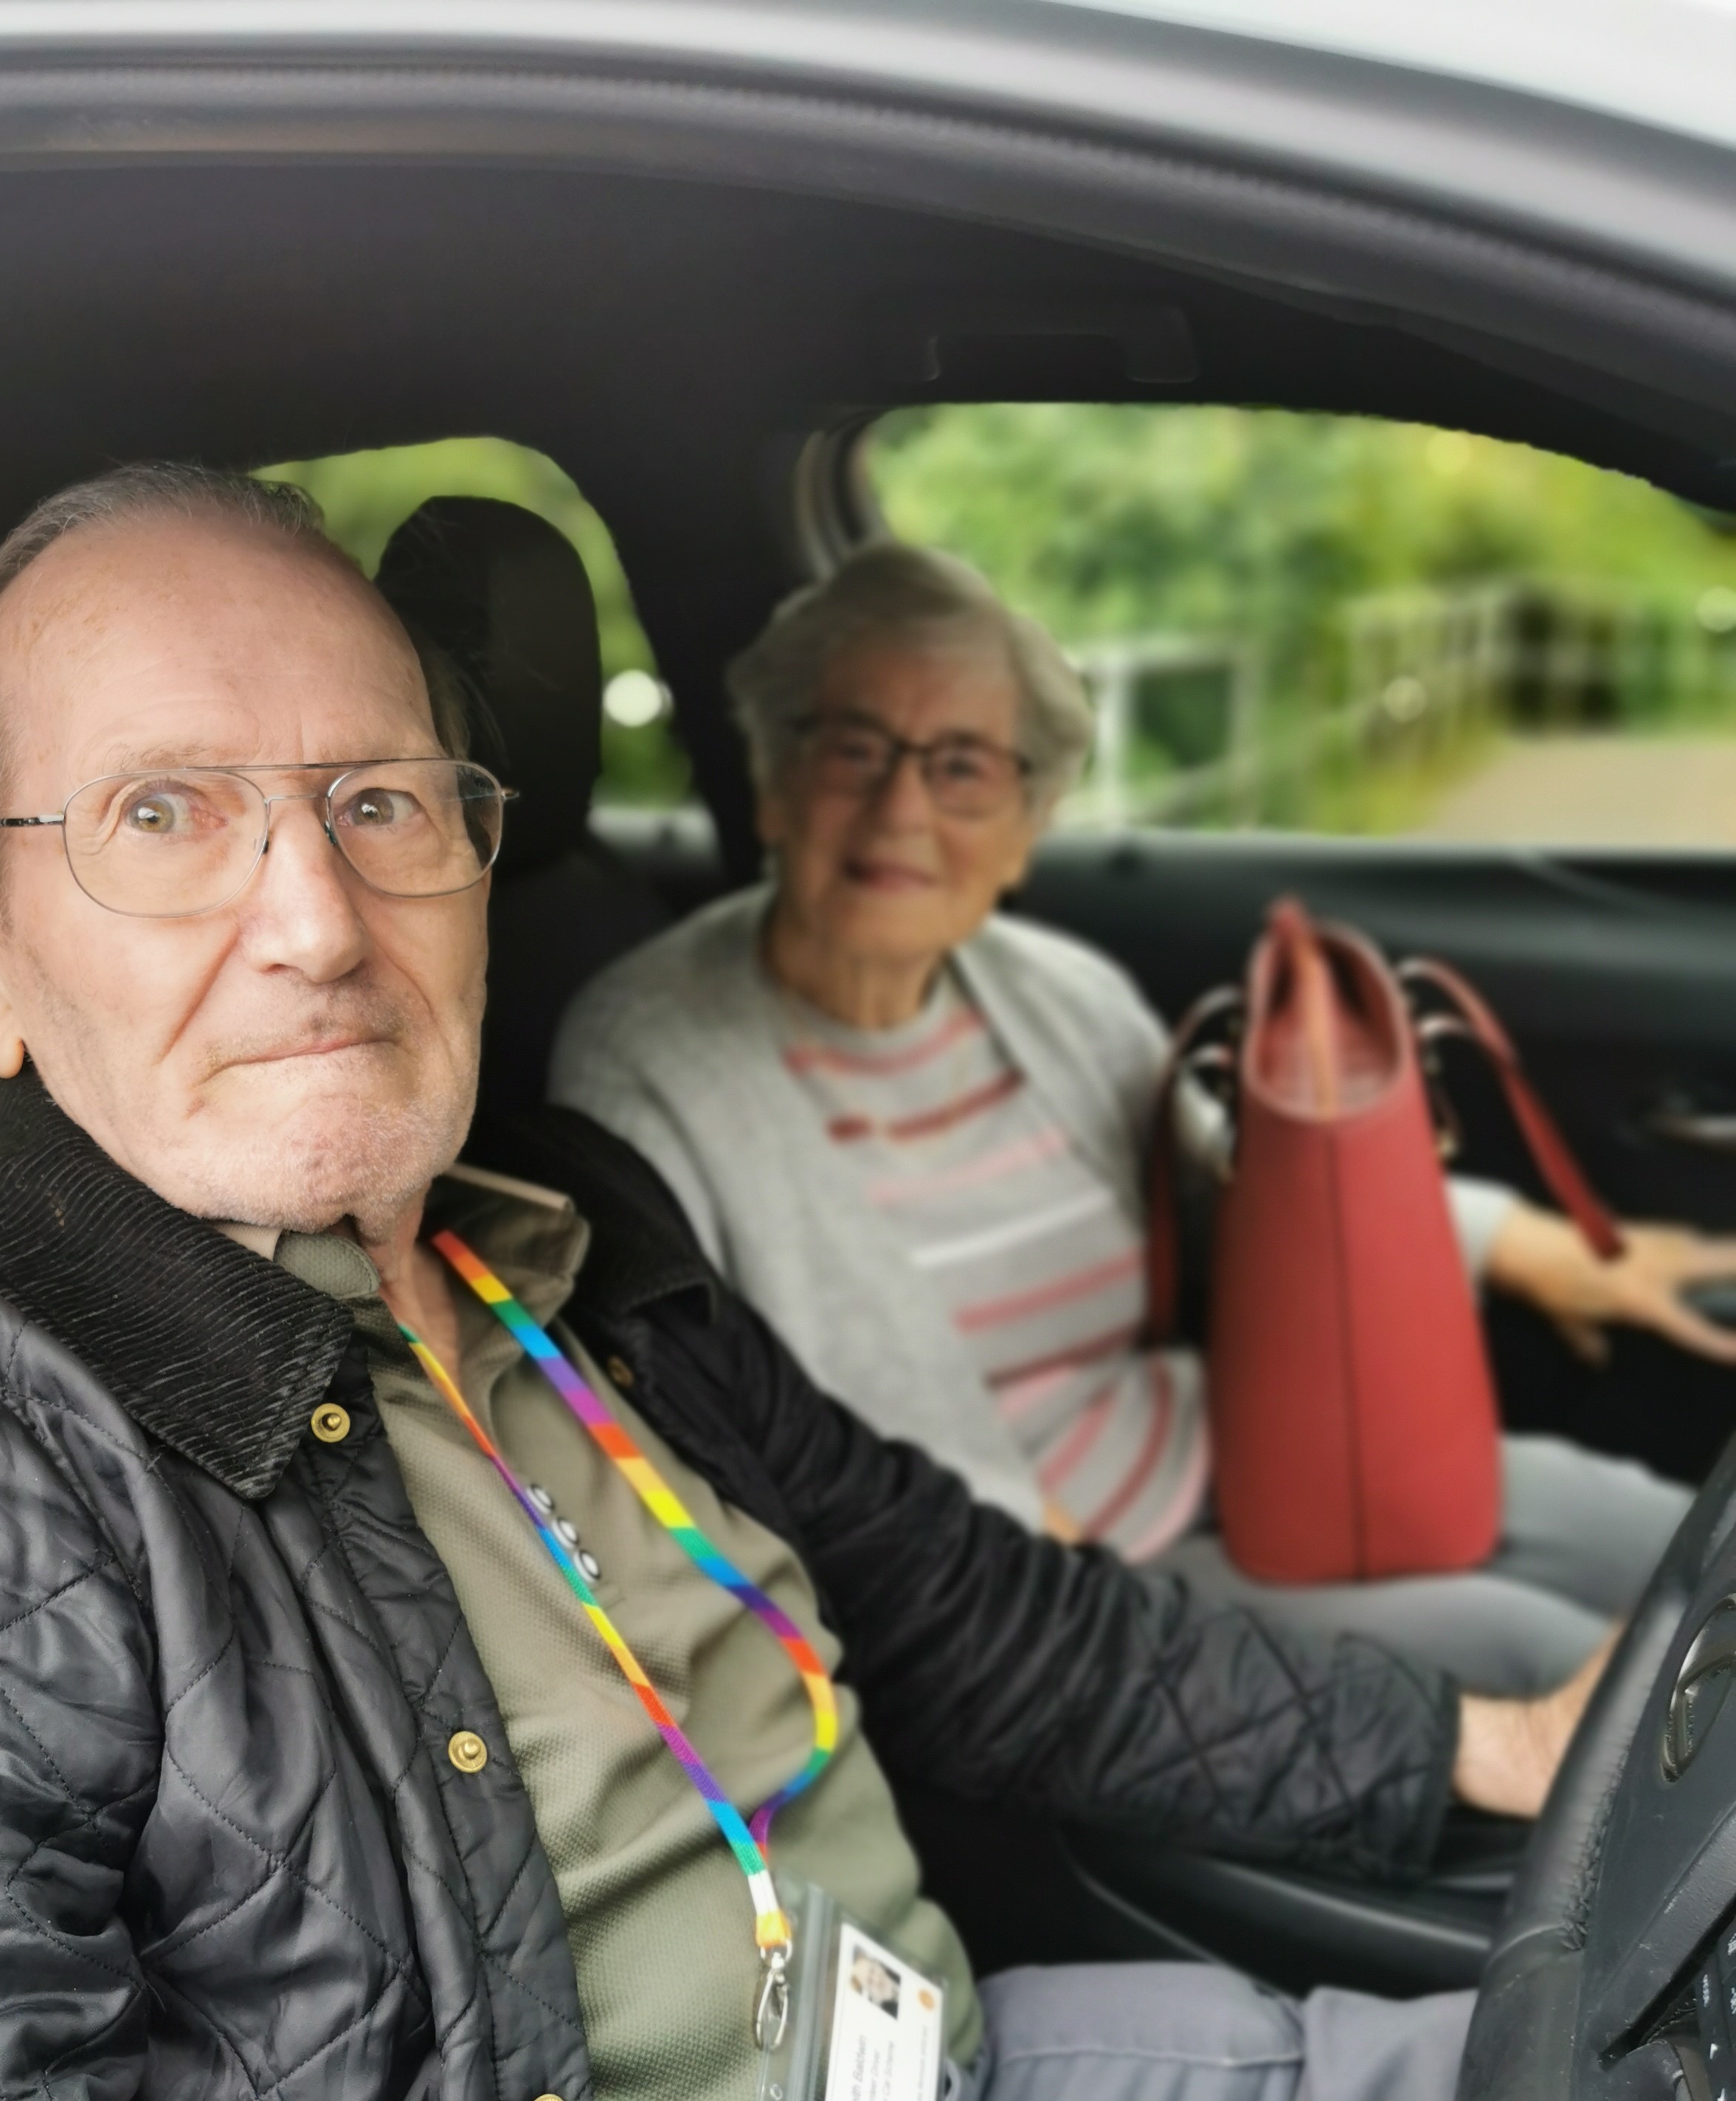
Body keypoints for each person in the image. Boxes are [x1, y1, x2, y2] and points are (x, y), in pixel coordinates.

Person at [0, 462, 1732, 2101]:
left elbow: (978, 1620)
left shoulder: (554, 1226)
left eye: (382, 802)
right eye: (165, 818)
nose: (310, 917)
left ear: (479, 858)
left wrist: (1498, 1738)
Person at [550, 543, 1736, 1697]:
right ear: (770, 779)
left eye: (964, 765)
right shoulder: (649, 1052)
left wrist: (1531, 1248)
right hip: (1064, 1589)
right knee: (1574, 1668)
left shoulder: (1055, 989)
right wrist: (1040, 1566)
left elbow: (1254, 1212)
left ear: (1026, 826)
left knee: (1679, 1539)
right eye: (853, 748)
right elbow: (697, 1441)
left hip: (1255, 1453)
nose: (902, 806)